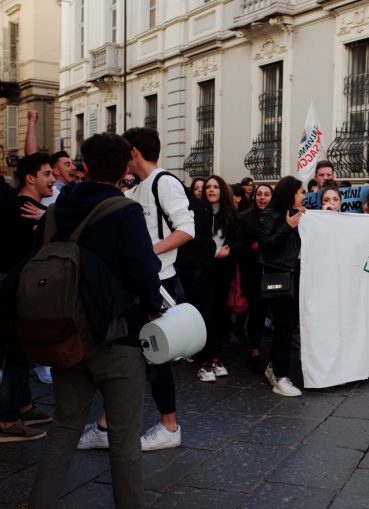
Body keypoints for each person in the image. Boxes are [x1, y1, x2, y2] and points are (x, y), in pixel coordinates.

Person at [27, 132, 162, 508]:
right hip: (117, 336)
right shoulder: (124, 211)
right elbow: (143, 271)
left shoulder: (55, 212)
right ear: (123, 170)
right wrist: (152, 307)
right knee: (123, 435)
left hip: (66, 333)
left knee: (64, 428)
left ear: (84, 166)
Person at [77, 127, 193, 452]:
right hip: (145, 281)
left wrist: (148, 252)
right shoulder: (141, 186)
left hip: (161, 282)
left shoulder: (164, 182)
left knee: (155, 356)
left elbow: (187, 229)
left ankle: (169, 426)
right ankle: (105, 425)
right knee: (138, 355)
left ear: (133, 153)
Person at [0, 153, 55, 442]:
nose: (53, 178)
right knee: (19, 353)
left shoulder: (20, 205)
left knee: (19, 351)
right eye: (48, 173)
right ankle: (7, 421)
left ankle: (23, 405)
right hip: (15, 287)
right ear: (31, 178)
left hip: (11, 285)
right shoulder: (26, 209)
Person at [258, 176, 304, 397]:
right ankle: (280, 377)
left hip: (296, 277)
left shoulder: (299, 214)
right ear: (290, 193)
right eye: (300, 192)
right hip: (280, 277)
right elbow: (266, 245)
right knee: (284, 328)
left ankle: (274, 367)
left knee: (289, 326)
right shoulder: (271, 215)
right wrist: (287, 226)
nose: (304, 195)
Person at [197, 175, 238, 382]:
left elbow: (240, 240)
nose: (211, 190)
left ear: (222, 190)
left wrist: (230, 250)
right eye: (208, 187)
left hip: (223, 269)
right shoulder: (198, 212)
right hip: (203, 270)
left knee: (220, 316)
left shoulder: (231, 214)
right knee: (206, 315)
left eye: (215, 187)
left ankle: (215, 358)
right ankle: (204, 362)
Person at [236, 183, 273, 372]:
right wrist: (251, 246)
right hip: (250, 272)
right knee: (253, 310)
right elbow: (237, 243)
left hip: (271, 272)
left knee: (261, 311)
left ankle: (256, 346)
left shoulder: (277, 217)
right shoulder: (243, 218)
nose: (263, 198)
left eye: (267, 194)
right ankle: (254, 349)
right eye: (260, 194)